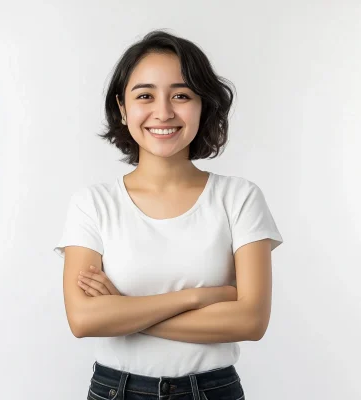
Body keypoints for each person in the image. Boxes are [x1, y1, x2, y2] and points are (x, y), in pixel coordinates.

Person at [54, 29, 283, 400]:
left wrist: (124, 312)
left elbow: (251, 321)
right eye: (145, 95)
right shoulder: (92, 204)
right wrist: (197, 298)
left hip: (212, 390)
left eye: (181, 95)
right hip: (116, 390)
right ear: (123, 108)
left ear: (203, 105)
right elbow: (83, 320)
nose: (163, 112)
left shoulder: (239, 198)